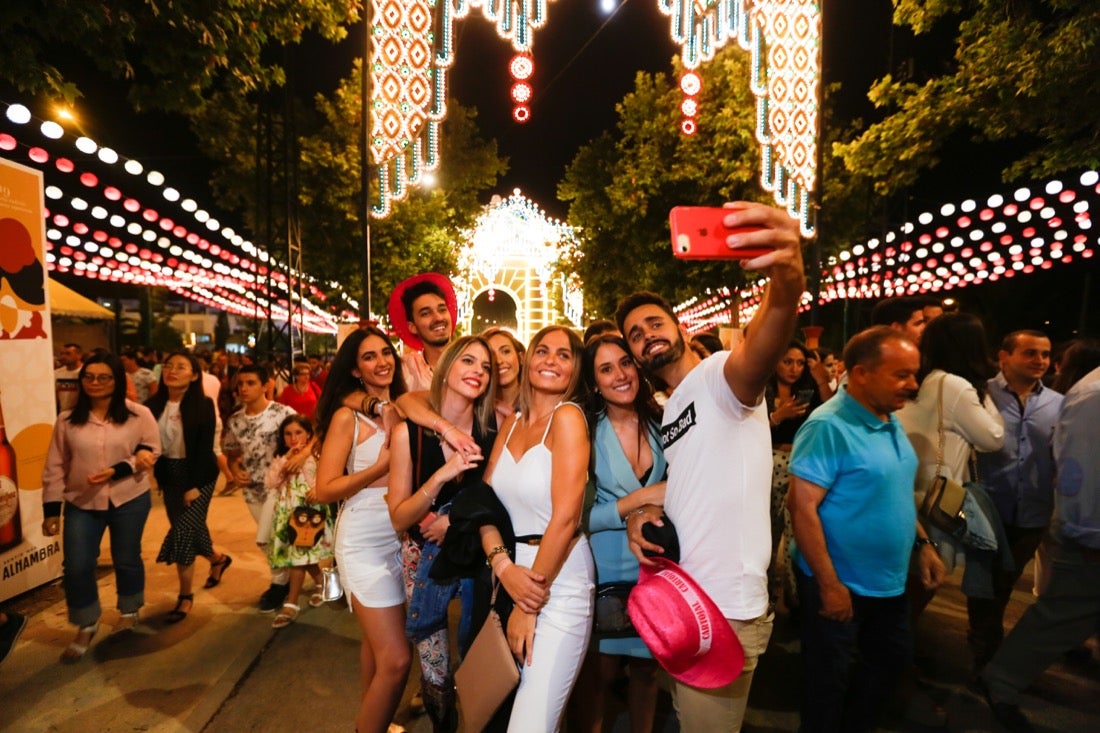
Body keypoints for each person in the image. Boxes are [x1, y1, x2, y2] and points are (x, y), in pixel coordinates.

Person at [621, 201, 804, 731]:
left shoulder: (722, 377)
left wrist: (787, 280)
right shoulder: (674, 407)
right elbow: (691, 482)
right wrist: (636, 512)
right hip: (685, 603)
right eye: (635, 334)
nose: (645, 335)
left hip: (725, 608)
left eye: (653, 323)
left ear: (678, 328)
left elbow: (763, 346)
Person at [787, 327, 946, 732]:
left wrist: (923, 545)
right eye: (901, 375)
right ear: (860, 373)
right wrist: (828, 585)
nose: (913, 385)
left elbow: (893, 492)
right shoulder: (829, 426)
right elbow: (802, 508)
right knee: (828, 684)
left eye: (915, 373)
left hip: (889, 585)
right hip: (841, 583)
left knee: (887, 668)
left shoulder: (888, 417)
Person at [479, 326, 594, 731]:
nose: (550, 360)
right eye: (543, 351)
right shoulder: (512, 422)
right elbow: (484, 506)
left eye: (564, 355)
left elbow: (565, 518)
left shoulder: (568, 418)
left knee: (530, 723)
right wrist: (502, 566)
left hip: (558, 580)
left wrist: (528, 603)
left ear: (575, 370)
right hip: (511, 573)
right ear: (529, 361)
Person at [979, 363, 1100, 733]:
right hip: (1087, 531)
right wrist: (1087, 531)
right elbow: (1081, 470)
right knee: (1063, 613)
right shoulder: (1093, 395)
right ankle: (1000, 679)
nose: (1040, 360)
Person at [387, 335, 499, 731]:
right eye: (468, 361)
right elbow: (400, 518)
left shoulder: (493, 428)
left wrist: (454, 518)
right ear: (446, 367)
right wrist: (441, 476)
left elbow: (497, 498)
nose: (478, 372)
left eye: (485, 367)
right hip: (424, 558)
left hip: (474, 553)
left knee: (477, 655)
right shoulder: (410, 434)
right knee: (435, 668)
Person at [312, 326, 410, 733]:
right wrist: (380, 468)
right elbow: (323, 488)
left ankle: (377, 720)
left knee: (376, 643)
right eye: (369, 357)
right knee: (397, 658)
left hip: (401, 536)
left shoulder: (406, 407)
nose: (382, 362)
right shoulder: (345, 417)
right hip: (362, 539)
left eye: (386, 353)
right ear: (355, 370)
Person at [41, 352, 161, 662]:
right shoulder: (67, 420)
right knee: (78, 565)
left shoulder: (139, 415)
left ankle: (130, 608)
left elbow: (152, 450)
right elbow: (55, 464)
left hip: (129, 497)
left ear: (117, 380)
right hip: (82, 500)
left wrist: (119, 469)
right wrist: (51, 509)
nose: (95, 383)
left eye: (103, 377)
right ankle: (86, 621)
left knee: (126, 557)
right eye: (89, 377)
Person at [580, 333, 667, 732]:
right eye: (606, 368)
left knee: (648, 673)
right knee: (600, 678)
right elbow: (579, 517)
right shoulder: (584, 431)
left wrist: (656, 504)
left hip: (654, 567)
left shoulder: (663, 423)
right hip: (604, 571)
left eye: (625, 363)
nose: (620, 375)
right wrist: (639, 501)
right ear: (594, 381)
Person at [897, 312, 1005, 616]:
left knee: (910, 580)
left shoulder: (925, 378)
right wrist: (984, 393)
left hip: (913, 490)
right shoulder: (956, 385)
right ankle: (895, 651)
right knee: (925, 580)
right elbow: (993, 438)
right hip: (938, 500)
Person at [968, 331, 1062, 671]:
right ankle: (985, 653)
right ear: (1004, 356)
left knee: (1004, 584)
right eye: (1030, 353)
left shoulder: (1057, 402)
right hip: (987, 508)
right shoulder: (979, 395)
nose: (1040, 360)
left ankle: (986, 647)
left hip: (1033, 511)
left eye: (1045, 354)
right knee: (985, 585)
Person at [145, 351, 233, 624]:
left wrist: (193, 485)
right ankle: (217, 559)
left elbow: (205, 448)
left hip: (199, 474)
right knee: (194, 527)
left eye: (181, 367)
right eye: (168, 366)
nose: (172, 371)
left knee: (182, 531)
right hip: (169, 474)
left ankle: (185, 596)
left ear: (195, 375)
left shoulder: (203, 404)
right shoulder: (151, 405)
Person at [222, 364, 299, 613]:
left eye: (250, 383)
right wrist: (235, 470)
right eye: (240, 384)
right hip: (252, 488)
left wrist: (296, 460)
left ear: (267, 385)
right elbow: (231, 451)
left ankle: (280, 582)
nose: (243, 388)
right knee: (273, 538)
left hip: (282, 486)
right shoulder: (235, 420)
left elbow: (307, 439)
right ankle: (290, 577)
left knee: (265, 537)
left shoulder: (282, 413)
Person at [765, 341, 827, 611]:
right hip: (768, 463)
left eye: (800, 363)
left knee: (797, 532)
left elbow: (828, 412)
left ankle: (796, 599)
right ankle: (765, 597)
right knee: (768, 531)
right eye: (787, 361)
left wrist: (821, 379)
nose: (794, 368)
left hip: (801, 465)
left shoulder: (809, 389)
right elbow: (747, 428)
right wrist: (778, 415)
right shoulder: (761, 389)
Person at [264, 414, 332, 629]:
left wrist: (317, 490)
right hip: (287, 514)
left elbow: (326, 476)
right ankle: (323, 583)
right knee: (303, 556)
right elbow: (271, 482)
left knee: (298, 558)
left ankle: (291, 603)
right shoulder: (281, 457)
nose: (293, 438)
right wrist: (285, 462)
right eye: (288, 434)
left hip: (309, 514)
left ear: (309, 434)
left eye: (298, 432)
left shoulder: (315, 455)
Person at [388, 273, 458, 392]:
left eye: (442, 310)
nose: (438, 318)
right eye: (426, 313)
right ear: (412, 327)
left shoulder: (474, 361)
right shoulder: (405, 369)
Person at [482, 327, 525, 424]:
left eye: (506, 351)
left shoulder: (537, 401)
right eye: (491, 355)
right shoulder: (476, 408)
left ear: (521, 358)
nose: (499, 361)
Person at [54, 342, 83, 412]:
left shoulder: (85, 372)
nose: (63, 357)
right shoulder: (57, 373)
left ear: (79, 355)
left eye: (68, 354)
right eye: (62, 354)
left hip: (81, 413)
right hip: (63, 413)